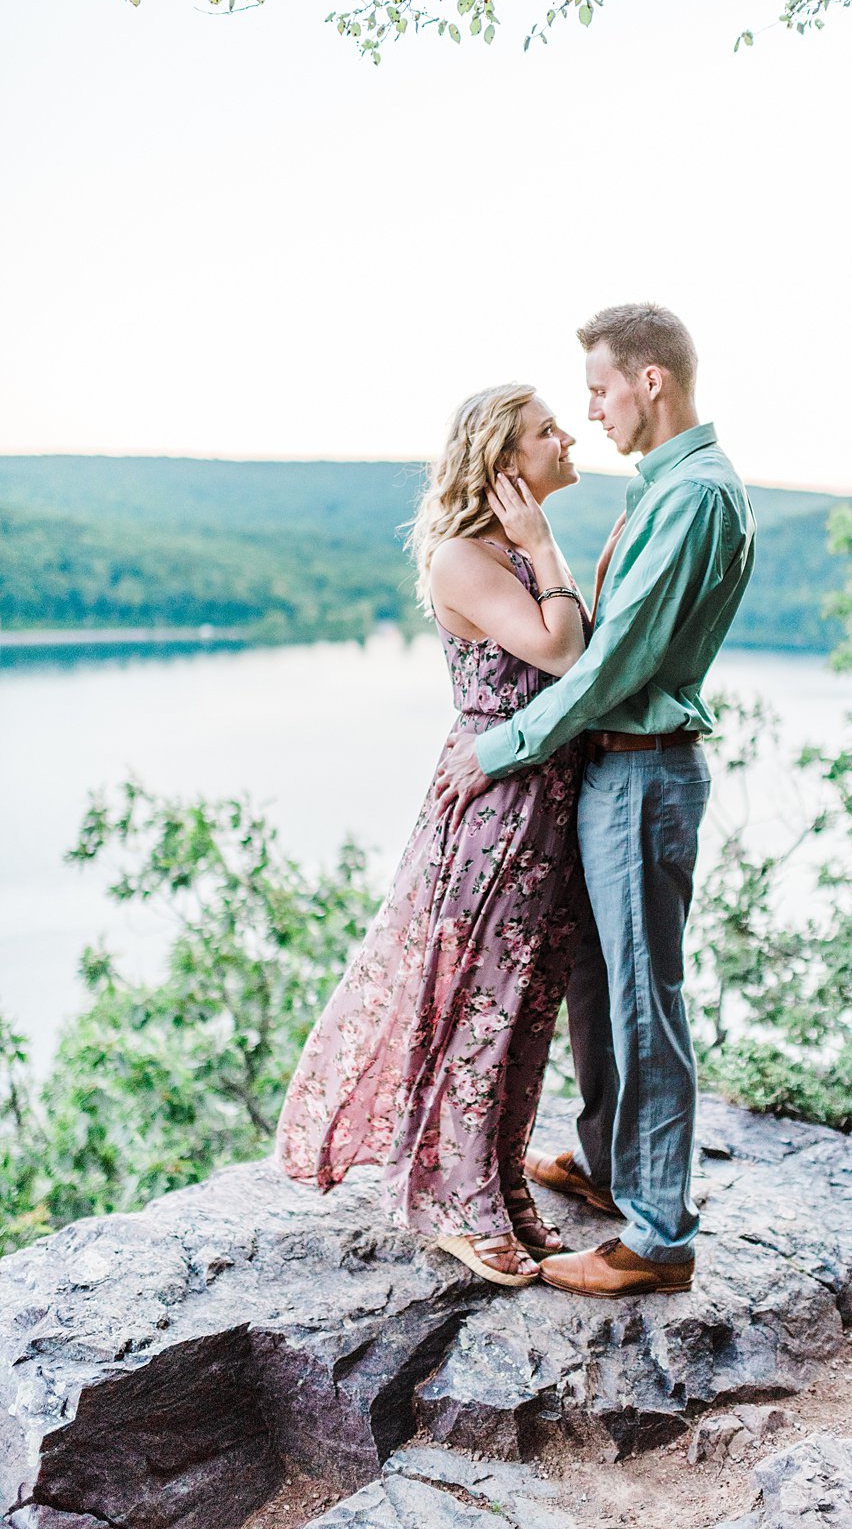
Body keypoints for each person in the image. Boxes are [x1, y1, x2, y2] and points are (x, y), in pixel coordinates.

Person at [434, 304, 757, 1298]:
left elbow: (612, 660)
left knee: (641, 998)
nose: (592, 412)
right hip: (610, 771)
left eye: (602, 390)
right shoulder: (663, 490)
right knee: (592, 985)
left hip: (644, 768)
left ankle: (656, 1236)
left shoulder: (697, 496)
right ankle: (613, 1165)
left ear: (650, 381)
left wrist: (508, 743)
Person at [275, 382, 591, 1288]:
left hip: (547, 795)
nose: (565, 437)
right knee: (479, 1002)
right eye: (545, 431)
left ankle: (497, 1182)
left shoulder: (520, 548)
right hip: (497, 803)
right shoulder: (466, 558)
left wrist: (540, 547)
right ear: (503, 463)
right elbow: (563, 652)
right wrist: (540, 544)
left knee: (527, 1005)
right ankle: (455, 1202)